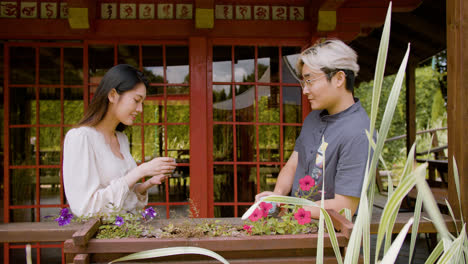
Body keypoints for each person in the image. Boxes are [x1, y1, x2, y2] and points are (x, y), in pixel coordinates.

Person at [255, 39, 371, 218]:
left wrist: (288, 208)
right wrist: (277, 196)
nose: (305, 90)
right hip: (299, 227)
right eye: (304, 82)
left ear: (339, 78)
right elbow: (293, 164)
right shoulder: (313, 118)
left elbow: (345, 206)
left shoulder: (359, 132)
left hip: (332, 239)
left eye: (310, 81)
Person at [63, 64, 177, 217]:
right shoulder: (81, 138)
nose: (140, 109)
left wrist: (145, 185)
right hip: (98, 239)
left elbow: (122, 198)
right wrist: (140, 171)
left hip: (127, 233)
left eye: (142, 102)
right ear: (112, 95)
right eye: (136, 100)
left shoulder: (121, 139)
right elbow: (85, 208)